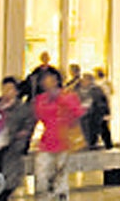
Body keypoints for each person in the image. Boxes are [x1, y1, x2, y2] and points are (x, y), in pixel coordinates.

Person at [32, 69, 83, 201]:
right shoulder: (41, 99)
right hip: (47, 141)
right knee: (42, 174)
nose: (48, 82)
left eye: (51, 79)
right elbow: (39, 116)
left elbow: (77, 114)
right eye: (45, 80)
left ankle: (60, 197)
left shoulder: (68, 96)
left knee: (60, 175)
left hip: (64, 140)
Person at [0, 77, 35, 201]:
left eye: (10, 89)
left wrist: (21, 139)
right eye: (5, 88)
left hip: (11, 149)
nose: (7, 91)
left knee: (7, 182)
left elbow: (28, 126)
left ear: (16, 91)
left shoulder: (22, 109)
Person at [75, 73, 109, 150]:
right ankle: (87, 142)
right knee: (84, 127)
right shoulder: (77, 89)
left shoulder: (96, 90)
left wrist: (104, 112)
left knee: (93, 128)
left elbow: (101, 101)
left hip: (94, 112)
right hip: (82, 112)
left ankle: (91, 142)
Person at [92, 68, 113, 149]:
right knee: (103, 125)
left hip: (102, 107)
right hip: (104, 107)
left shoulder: (100, 84)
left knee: (103, 126)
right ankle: (107, 142)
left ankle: (107, 143)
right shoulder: (106, 83)